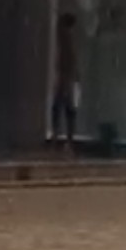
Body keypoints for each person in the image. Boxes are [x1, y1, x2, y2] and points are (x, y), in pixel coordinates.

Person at [52, 12, 79, 150]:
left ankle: (62, 137)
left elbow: (67, 62)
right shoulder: (67, 41)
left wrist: (65, 79)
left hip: (66, 79)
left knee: (62, 107)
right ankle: (67, 138)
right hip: (67, 78)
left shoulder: (66, 41)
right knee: (66, 108)